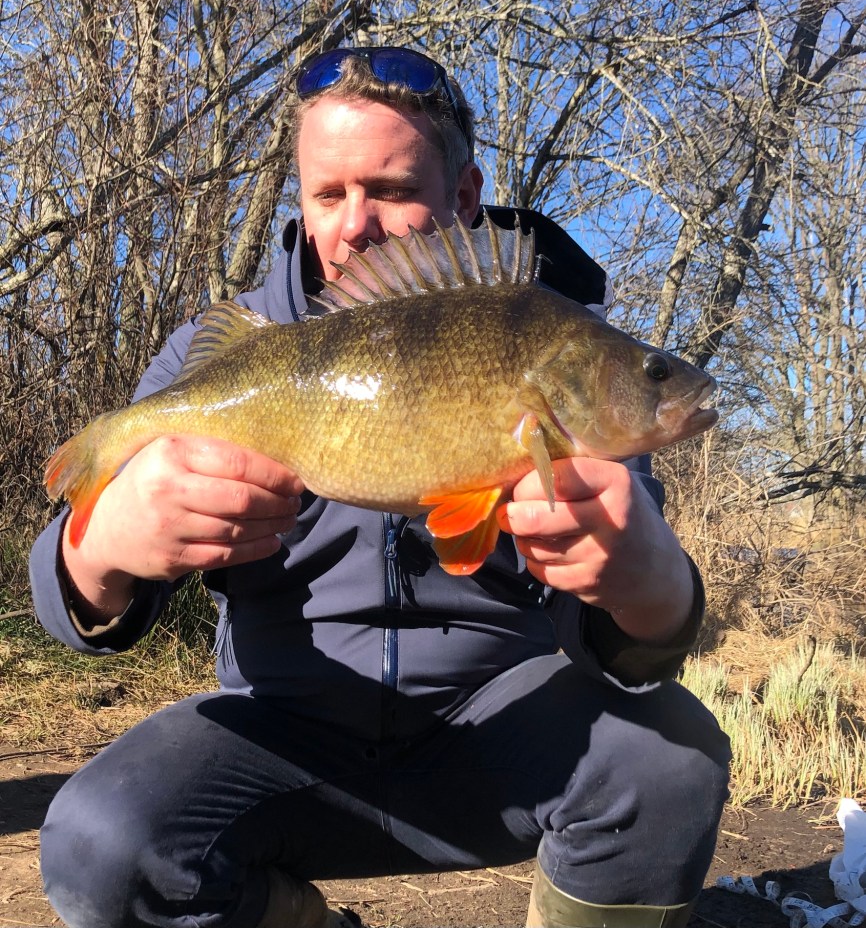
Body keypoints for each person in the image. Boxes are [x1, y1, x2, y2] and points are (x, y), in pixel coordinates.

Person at [30, 45, 730, 928]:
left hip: (504, 737)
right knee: (99, 843)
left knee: (673, 758)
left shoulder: (563, 345)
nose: (356, 225)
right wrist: (101, 551)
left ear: (464, 195)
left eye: (393, 190)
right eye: (328, 194)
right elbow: (67, 607)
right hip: (281, 737)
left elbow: (631, 650)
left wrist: (656, 588)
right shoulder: (228, 354)